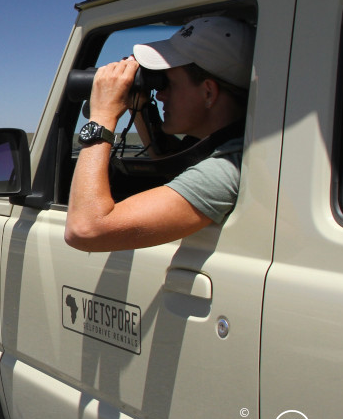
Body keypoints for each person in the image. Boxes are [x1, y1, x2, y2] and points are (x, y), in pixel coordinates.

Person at [65, 16, 255, 252]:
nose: (161, 94)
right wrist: (139, 106)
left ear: (208, 92)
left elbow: (85, 230)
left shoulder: (226, 168)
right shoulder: (236, 146)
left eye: (169, 83)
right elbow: (170, 161)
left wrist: (102, 115)